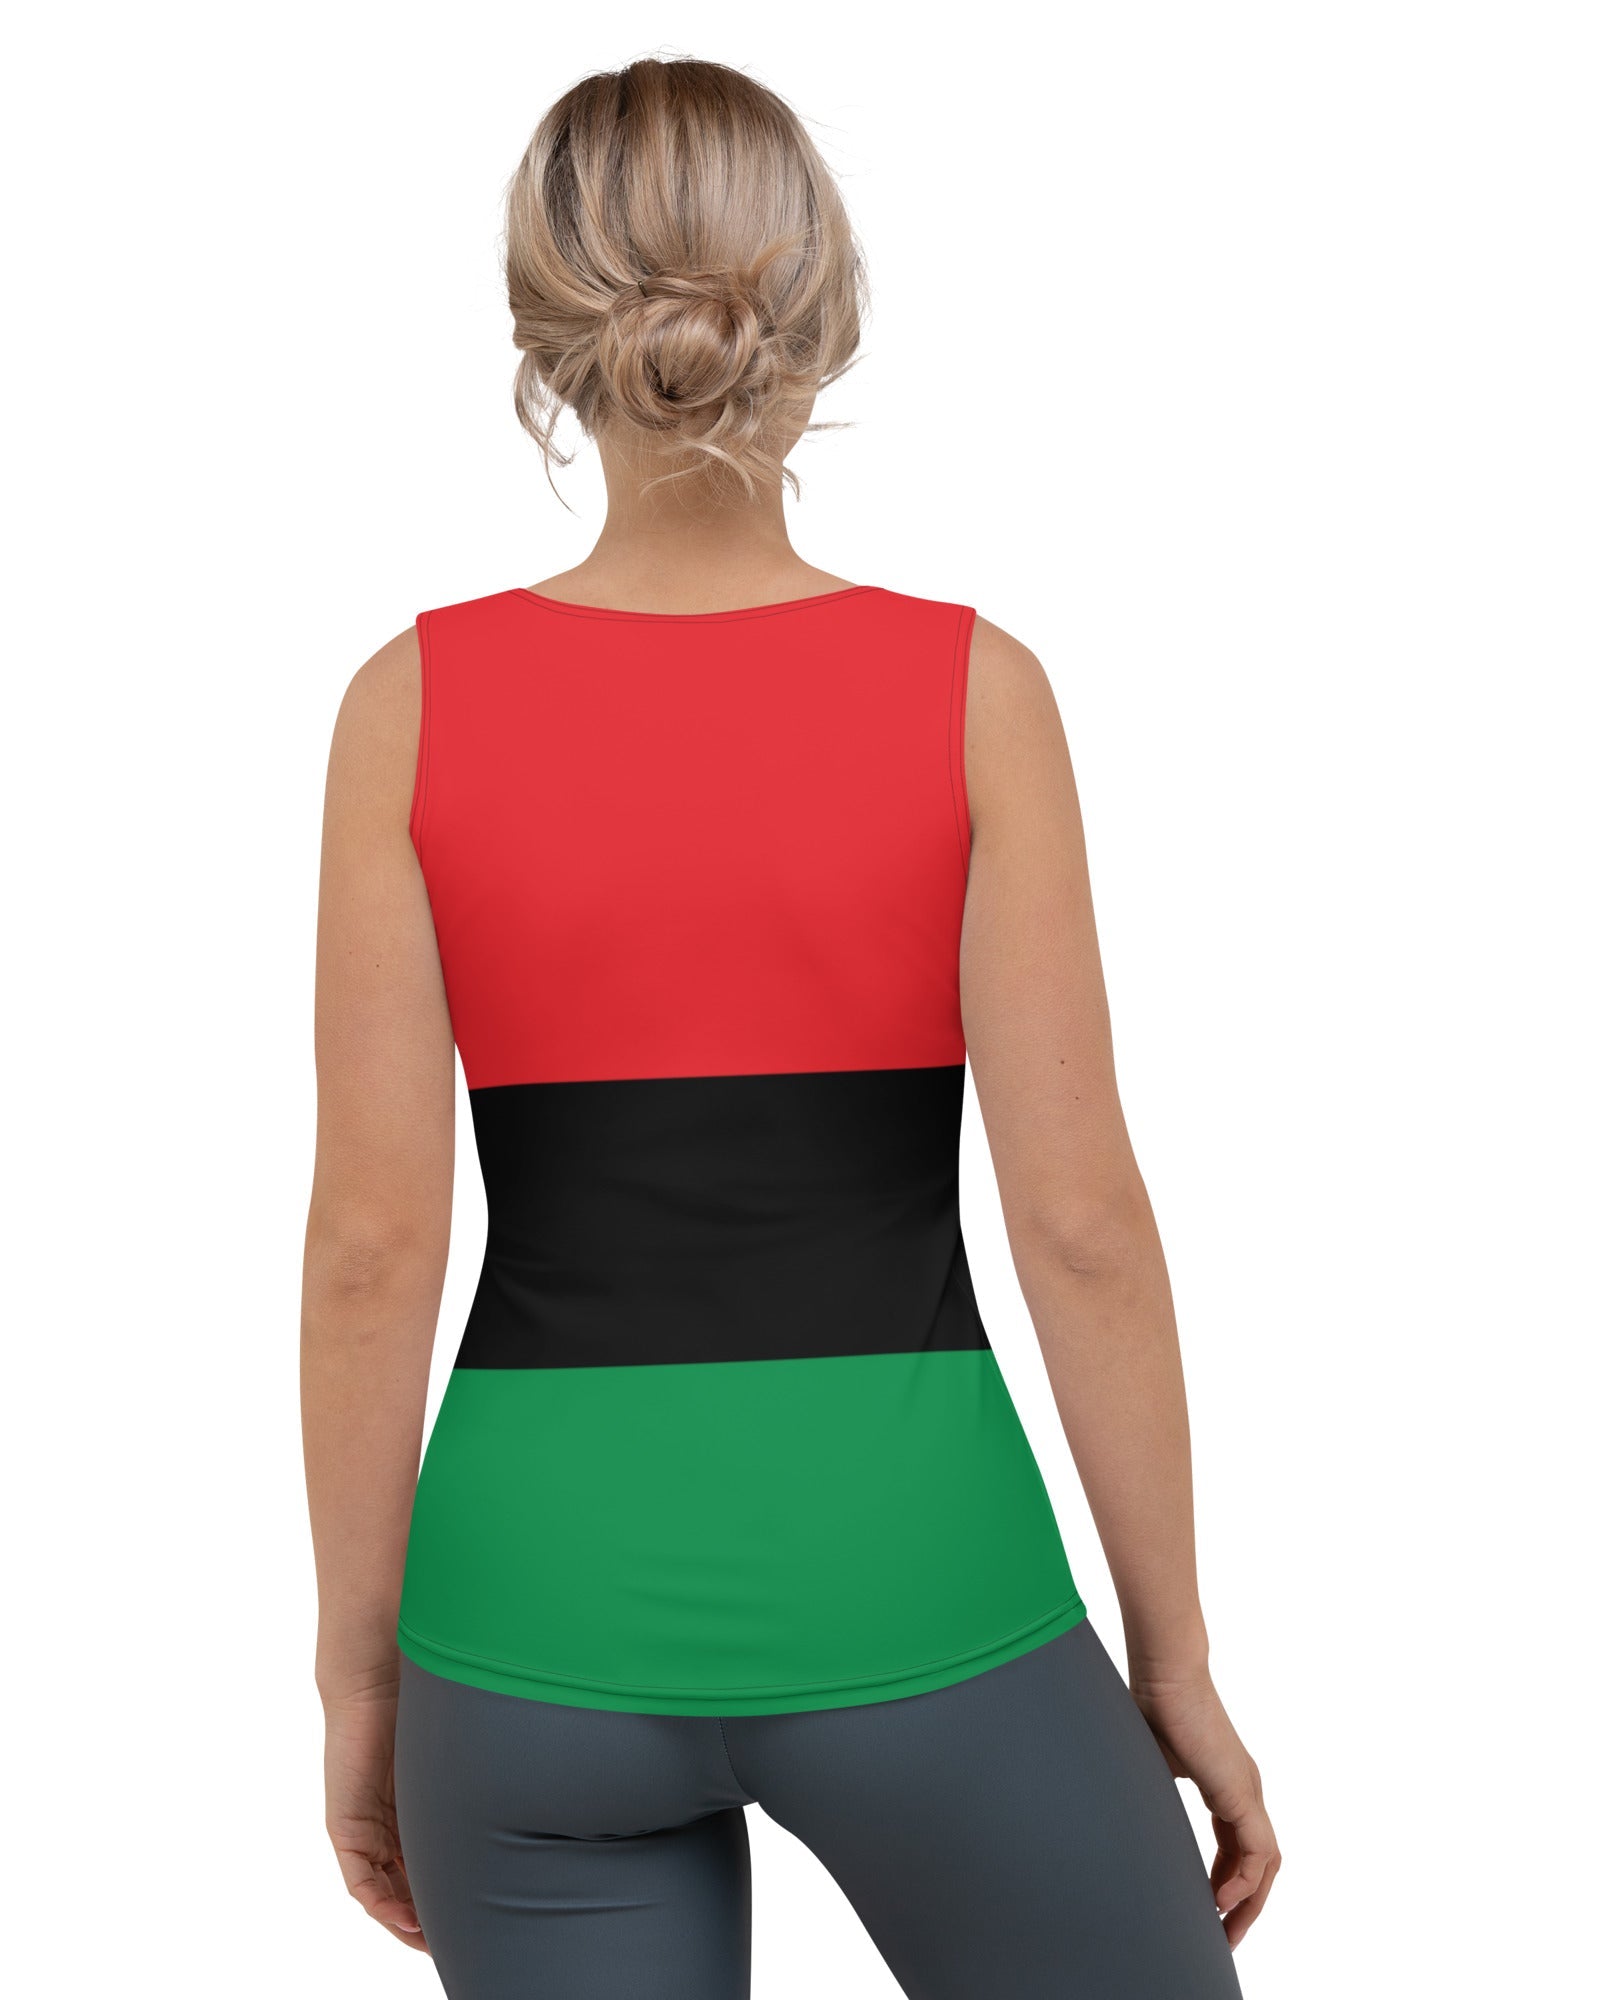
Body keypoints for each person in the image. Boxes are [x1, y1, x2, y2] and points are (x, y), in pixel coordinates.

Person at [301, 55, 1278, 2000]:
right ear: (818, 310)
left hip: (527, 1623)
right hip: (919, 1591)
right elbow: (1080, 1226)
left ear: (543, 330)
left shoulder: (409, 706)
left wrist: (362, 1673)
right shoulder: (969, 693)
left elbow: (371, 1248)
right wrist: (1171, 1661)